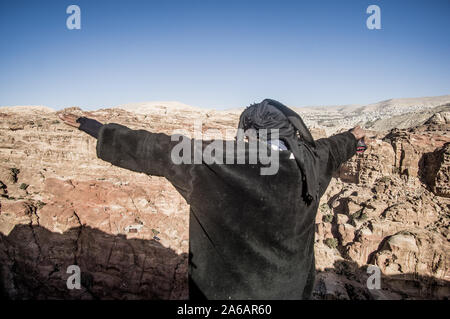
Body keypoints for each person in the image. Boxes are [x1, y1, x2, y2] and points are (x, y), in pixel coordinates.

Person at [59, 98, 366, 300]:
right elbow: (336, 146)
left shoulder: (216, 162)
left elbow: (154, 148)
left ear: (249, 134)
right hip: (291, 290)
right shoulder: (311, 162)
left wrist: (94, 127)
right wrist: (355, 137)